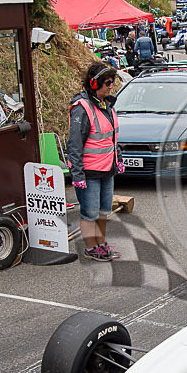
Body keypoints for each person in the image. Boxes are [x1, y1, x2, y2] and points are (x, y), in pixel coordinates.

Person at [67, 62, 124, 262]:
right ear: (94, 84)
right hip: (90, 172)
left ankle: (101, 243)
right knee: (90, 213)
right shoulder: (82, 108)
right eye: (108, 83)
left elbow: (110, 137)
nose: (111, 86)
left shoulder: (105, 104)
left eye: (112, 82)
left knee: (103, 212)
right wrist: (78, 175)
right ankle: (91, 248)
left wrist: (118, 159)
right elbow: (74, 145)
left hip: (107, 168)